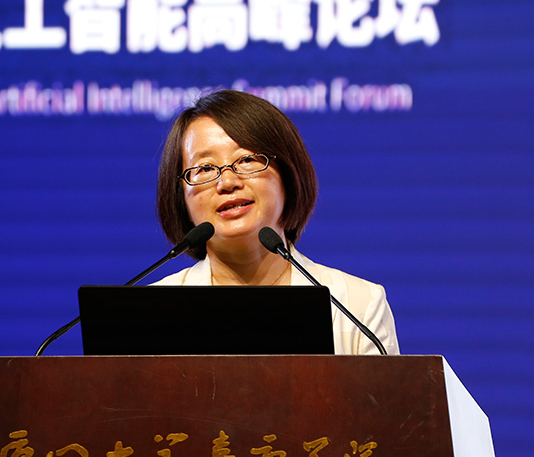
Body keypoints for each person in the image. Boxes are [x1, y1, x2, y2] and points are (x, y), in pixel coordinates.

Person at [152, 89, 399, 355]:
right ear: (180, 196)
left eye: (247, 159)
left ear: (288, 176)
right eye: (205, 168)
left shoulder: (358, 306)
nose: (227, 182)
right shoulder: (151, 312)